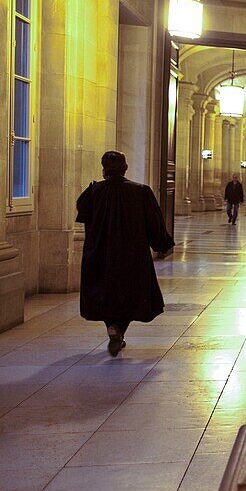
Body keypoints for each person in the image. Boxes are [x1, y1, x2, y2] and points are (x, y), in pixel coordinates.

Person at [76, 151, 175, 357]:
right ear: (125, 168)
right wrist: (161, 243)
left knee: (104, 294)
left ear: (104, 169)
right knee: (130, 295)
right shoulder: (140, 192)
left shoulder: (94, 192)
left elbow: (83, 214)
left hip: (101, 254)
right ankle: (118, 330)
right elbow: (154, 223)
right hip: (132, 254)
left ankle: (112, 327)